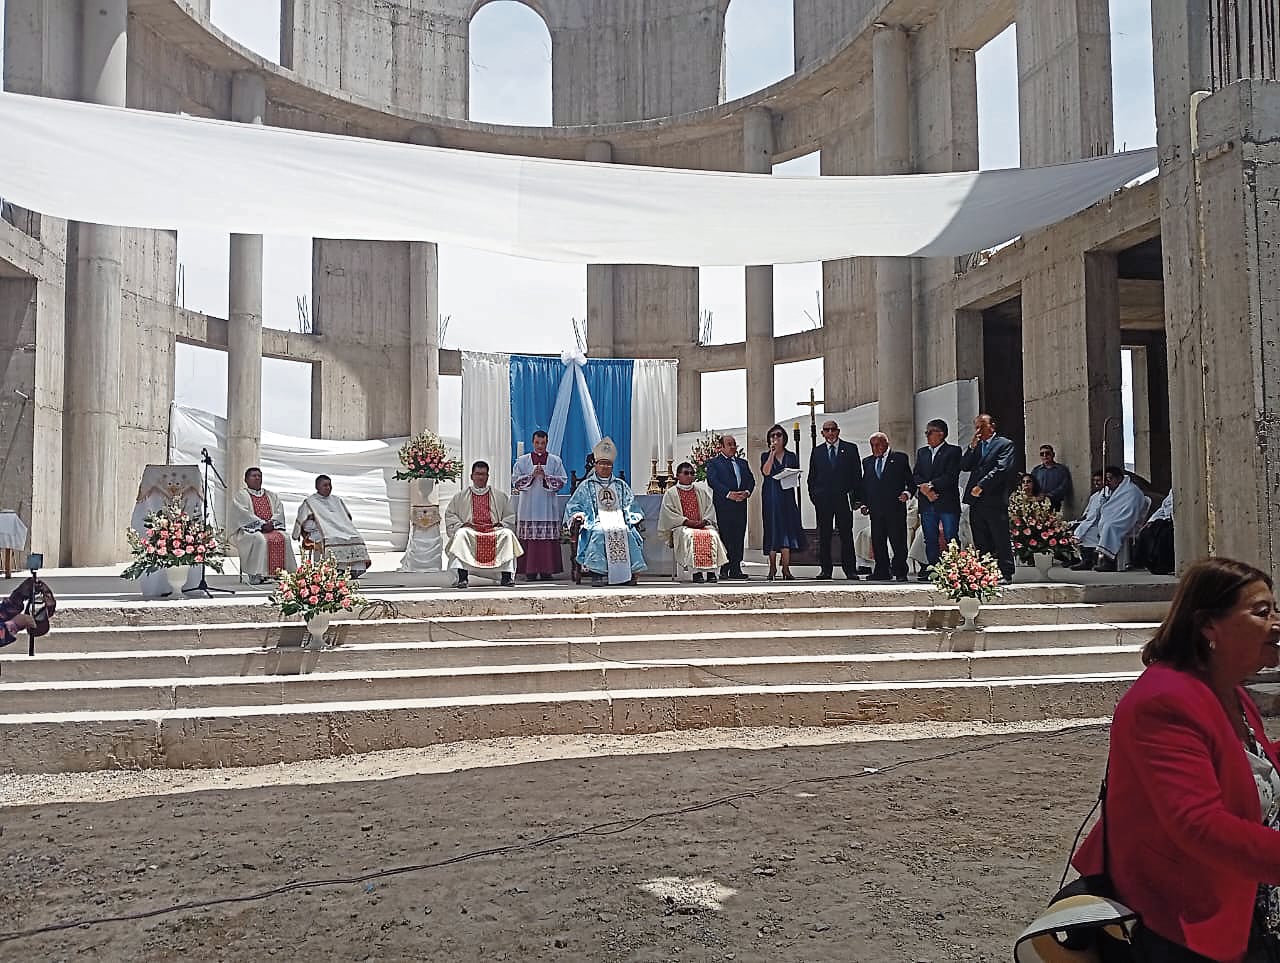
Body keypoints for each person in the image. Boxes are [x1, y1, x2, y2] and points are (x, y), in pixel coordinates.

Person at [1071, 558, 1280, 961]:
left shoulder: (1227, 689)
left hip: (1241, 909)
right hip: (1180, 922)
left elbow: (1251, 766)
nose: (1276, 624)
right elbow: (1199, 825)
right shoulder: (1165, 700)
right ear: (1208, 625)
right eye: (1261, 612)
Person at [564, 437, 646, 587]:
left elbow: (631, 505)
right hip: (596, 520)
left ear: (612, 466)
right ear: (595, 465)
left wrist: (631, 517)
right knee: (599, 532)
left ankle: (628, 574)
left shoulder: (620, 485)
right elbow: (574, 505)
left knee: (626, 532)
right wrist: (578, 515)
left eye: (608, 464)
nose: (604, 467)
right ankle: (597, 573)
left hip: (619, 520)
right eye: (601, 463)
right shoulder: (586, 485)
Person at [443, 461, 523, 588]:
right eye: (478, 474)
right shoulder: (460, 496)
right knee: (461, 534)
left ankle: (507, 577)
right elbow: (450, 514)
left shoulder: (499, 496)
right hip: (472, 531)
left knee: (507, 534)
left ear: (487, 476)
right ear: (472, 476)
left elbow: (510, 516)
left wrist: (502, 524)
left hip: (493, 530)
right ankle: (462, 578)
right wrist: (462, 525)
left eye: (483, 474)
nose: (480, 477)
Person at [959, 413, 1017, 584]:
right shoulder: (978, 445)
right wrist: (971, 447)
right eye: (976, 427)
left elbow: (1001, 468)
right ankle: (984, 571)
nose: (978, 431)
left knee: (999, 536)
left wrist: (982, 485)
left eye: (982, 427)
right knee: (980, 537)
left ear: (992, 426)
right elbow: (965, 466)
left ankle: (1006, 572)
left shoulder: (1004, 444)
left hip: (994, 498)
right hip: (976, 500)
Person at [807, 419, 862, 580]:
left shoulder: (850, 449)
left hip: (843, 499)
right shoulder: (817, 451)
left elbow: (857, 475)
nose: (830, 433)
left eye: (833, 429)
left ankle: (850, 569)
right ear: (822, 433)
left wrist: (857, 498)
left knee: (846, 535)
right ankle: (825, 570)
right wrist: (815, 496)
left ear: (838, 431)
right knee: (824, 535)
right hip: (823, 501)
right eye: (827, 430)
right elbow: (812, 477)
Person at [511, 430, 568, 581]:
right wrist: (531, 475)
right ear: (533, 442)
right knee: (529, 539)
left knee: (546, 540)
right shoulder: (523, 461)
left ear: (547, 443)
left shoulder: (555, 461)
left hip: (547, 506)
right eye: (537, 443)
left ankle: (546, 570)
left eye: (543, 443)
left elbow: (562, 481)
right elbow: (515, 481)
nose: (540, 446)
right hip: (528, 506)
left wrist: (545, 477)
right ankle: (529, 571)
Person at [658, 462, 727, 583]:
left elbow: (709, 509)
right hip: (682, 526)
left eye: (692, 473)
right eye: (686, 473)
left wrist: (704, 521)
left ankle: (711, 572)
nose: (689, 476)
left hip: (701, 524)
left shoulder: (701, 491)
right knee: (690, 535)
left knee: (713, 534)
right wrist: (686, 521)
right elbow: (669, 514)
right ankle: (696, 572)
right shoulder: (671, 493)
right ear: (678, 475)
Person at [912, 419, 963, 582]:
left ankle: (954, 569)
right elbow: (916, 474)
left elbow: (951, 475)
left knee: (950, 536)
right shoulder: (922, 452)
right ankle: (933, 569)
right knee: (929, 537)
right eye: (926, 432)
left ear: (941, 434)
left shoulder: (953, 451)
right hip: (927, 502)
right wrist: (925, 489)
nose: (927, 435)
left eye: (930, 432)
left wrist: (931, 486)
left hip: (946, 501)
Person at [1072, 465, 1148, 572]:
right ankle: (1087, 561)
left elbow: (1129, 511)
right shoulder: (1111, 490)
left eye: (1110, 479)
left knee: (1109, 527)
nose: (1107, 482)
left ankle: (1110, 562)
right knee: (1088, 530)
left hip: (1125, 522)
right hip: (1110, 520)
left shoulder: (1131, 491)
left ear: (1119, 478)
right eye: (1106, 479)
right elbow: (1109, 507)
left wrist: (1111, 518)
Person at [291, 475, 371, 577]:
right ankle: (334, 570)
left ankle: (355, 569)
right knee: (331, 539)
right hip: (319, 531)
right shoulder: (310, 502)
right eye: (325, 485)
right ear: (317, 487)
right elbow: (305, 524)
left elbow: (347, 518)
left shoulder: (337, 500)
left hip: (341, 529)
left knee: (356, 537)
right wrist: (320, 523)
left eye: (330, 485)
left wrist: (338, 524)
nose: (328, 487)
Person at [860, 432, 913, 582]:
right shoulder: (867, 462)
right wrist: (864, 503)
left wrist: (907, 494)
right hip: (876, 509)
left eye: (877, 445)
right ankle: (882, 570)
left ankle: (900, 570)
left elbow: (910, 481)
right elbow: (866, 485)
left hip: (894, 508)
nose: (875, 448)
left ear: (886, 444)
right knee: (878, 541)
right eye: (872, 445)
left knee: (898, 540)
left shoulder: (899, 458)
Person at [231, 467, 298, 584]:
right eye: (254, 476)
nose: (257, 478)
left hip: (271, 527)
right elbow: (243, 514)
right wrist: (261, 525)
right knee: (260, 539)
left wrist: (271, 523)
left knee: (285, 537)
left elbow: (279, 511)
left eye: (259, 476)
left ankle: (280, 574)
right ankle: (256, 574)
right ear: (246, 479)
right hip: (250, 530)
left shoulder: (271, 495)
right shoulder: (241, 496)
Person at [704, 434, 755, 580]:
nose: (733, 447)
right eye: (729, 444)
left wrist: (746, 492)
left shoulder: (742, 463)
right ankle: (724, 567)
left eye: (734, 444)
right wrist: (728, 494)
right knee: (725, 535)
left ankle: (736, 568)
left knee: (738, 535)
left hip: (740, 504)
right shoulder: (714, 463)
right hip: (724, 505)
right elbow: (713, 481)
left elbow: (751, 480)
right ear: (721, 447)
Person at [760, 423, 804, 581]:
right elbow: (766, 472)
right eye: (772, 436)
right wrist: (772, 454)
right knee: (772, 529)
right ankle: (772, 567)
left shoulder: (791, 456)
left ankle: (786, 568)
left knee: (787, 529)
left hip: (786, 495)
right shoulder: (765, 455)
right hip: (771, 495)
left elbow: (796, 474)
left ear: (784, 438)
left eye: (778, 435)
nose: (775, 438)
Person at [1128, 490, 1175, 575]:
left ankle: (1163, 565)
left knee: (1163, 535)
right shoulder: (1172, 491)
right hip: (1165, 518)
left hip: (1174, 521)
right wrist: (1151, 520)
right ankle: (1147, 562)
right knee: (1146, 532)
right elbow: (1163, 508)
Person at [1030, 444, 1072, 511]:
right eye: (1042, 454)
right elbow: (1031, 485)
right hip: (1038, 505)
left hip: (1055, 504)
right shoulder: (1036, 471)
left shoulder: (1061, 470)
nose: (1045, 456)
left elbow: (1064, 487)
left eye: (1047, 453)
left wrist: (1047, 496)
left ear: (1053, 454)